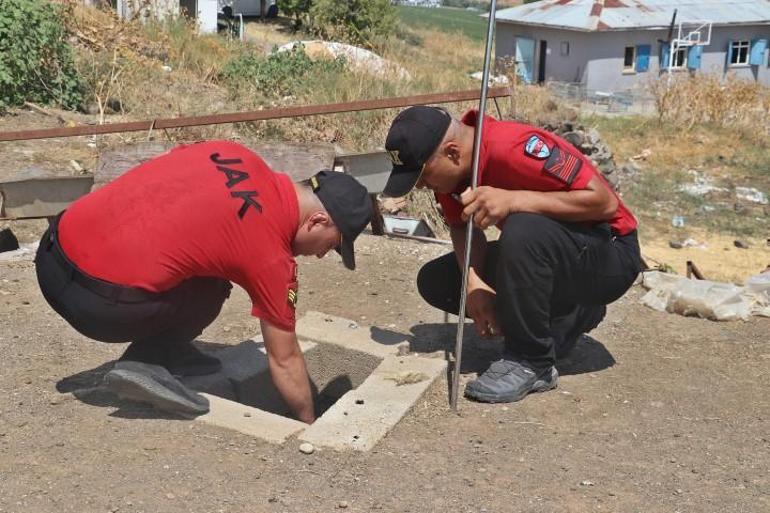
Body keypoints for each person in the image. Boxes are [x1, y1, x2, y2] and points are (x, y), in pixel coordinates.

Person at [35, 140, 371, 422]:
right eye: (332, 245)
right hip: (96, 306)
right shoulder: (270, 255)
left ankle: (170, 352)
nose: (323, 255)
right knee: (214, 286)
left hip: (51, 252)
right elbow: (284, 359)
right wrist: (308, 423)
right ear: (317, 221)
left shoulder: (234, 152)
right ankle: (146, 361)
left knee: (203, 253)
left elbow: (171, 174)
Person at [383, 106, 641, 403]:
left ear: (452, 152)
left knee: (522, 227)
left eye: (423, 177)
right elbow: (461, 226)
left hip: (610, 254)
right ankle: (570, 312)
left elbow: (605, 202)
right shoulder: (453, 173)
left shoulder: (517, 147)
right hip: (557, 254)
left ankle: (532, 361)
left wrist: (514, 200)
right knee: (439, 280)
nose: (422, 186)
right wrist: (475, 284)